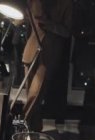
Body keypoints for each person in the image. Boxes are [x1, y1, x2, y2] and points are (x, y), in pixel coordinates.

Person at [22, 0, 72, 131]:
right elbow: (26, 20)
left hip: (49, 54)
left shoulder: (66, 4)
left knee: (35, 95)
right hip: (31, 50)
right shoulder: (35, 1)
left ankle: (21, 126)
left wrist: (50, 25)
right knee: (30, 95)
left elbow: (67, 31)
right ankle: (33, 131)